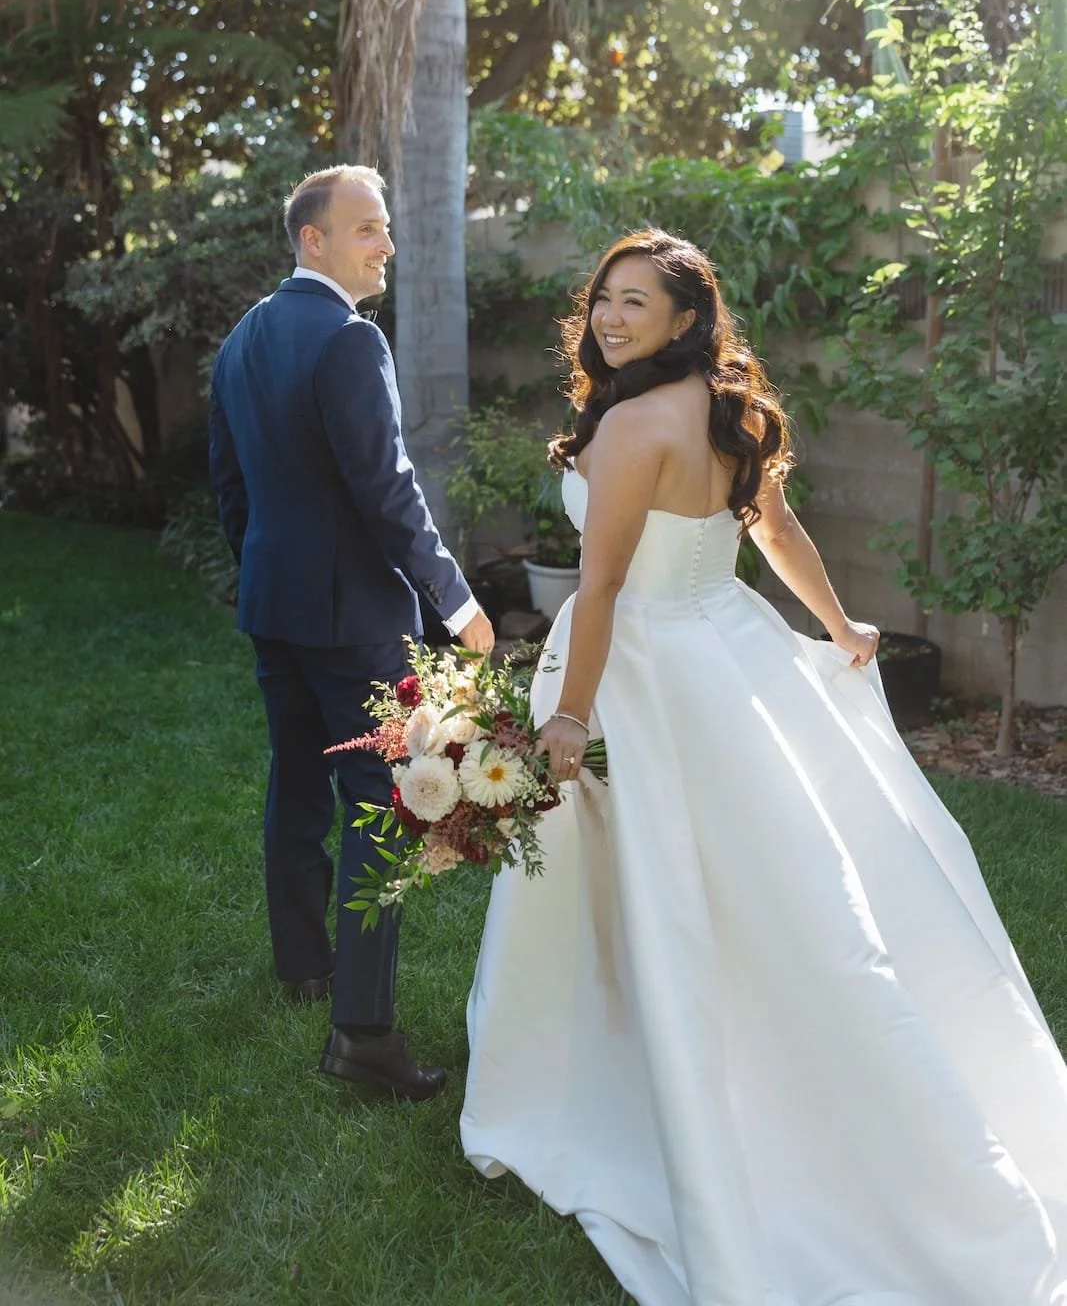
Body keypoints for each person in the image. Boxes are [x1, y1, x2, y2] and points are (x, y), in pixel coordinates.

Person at [461, 231, 1067, 1304]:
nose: (608, 318)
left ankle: (613, 1076)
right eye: (602, 300)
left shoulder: (632, 422)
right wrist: (840, 627)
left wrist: (565, 716)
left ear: (686, 319)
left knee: (662, 882)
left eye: (633, 303)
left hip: (640, 668)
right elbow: (773, 528)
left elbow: (596, 591)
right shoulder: (726, 411)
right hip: (724, 647)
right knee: (759, 885)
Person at [209, 164, 494, 1102]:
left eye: (385, 227)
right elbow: (388, 490)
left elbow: (231, 489)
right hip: (352, 619)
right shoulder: (346, 339)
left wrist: (266, 570)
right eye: (366, 228)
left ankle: (305, 967)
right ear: (312, 239)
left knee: (297, 780)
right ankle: (363, 1034)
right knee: (379, 803)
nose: (385, 244)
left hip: (275, 607)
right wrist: (456, 603)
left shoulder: (242, 339)